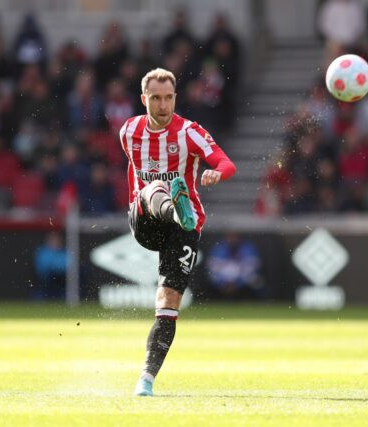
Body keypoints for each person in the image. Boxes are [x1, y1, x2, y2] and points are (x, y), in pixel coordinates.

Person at [121, 68, 236, 396]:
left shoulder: (190, 133)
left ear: (175, 97)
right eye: (155, 98)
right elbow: (133, 169)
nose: (162, 104)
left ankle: (146, 378)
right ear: (144, 99)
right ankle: (175, 206)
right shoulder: (129, 131)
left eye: (168, 97)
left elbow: (227, 163)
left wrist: (217, 174)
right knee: (156, 185)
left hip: (185, 229)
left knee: (169, 302)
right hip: (145, 217)